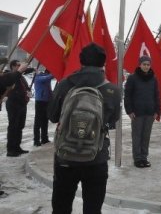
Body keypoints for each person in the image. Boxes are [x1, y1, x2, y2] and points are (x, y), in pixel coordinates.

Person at [48, 43, 121, 214]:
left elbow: (52, 116)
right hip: (96, 155)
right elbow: (113, 120)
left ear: (81, 60)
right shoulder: (112, 89)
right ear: (103, 63)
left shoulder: (65, 84)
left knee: (61, 206)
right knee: (93, 208)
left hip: (65, 156)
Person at [124, 55, 160, 168]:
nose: (146, 66)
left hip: (150, 113)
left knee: (146, 136)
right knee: (137, 136)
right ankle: (138, 159)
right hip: (137, 113)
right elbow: (127, 96)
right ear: (140, 65)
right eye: (144, 64)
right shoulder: (132, 78)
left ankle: (144, 157)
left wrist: (157, 110)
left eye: (148, 64)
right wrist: (129, 110)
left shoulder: (153, 79)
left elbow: (156, 95)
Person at [5, 60, 34, 157]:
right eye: (18, 65)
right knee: (13, 126)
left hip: (22, 104)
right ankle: (11, 149)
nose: (20, 67)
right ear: (13, 66)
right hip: (13, 104)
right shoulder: (10, 76)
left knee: (20, 126)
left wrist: (28, 91)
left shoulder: (21, 76)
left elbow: (25, 86)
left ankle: (17, 147)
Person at [33, 69, 54, 146]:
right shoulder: (39, 77)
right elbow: (47, 78)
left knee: (45, 120)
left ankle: (44, 138)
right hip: (40, 101)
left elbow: (49, 89)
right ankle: (36, 140)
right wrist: (54, 73)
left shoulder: (46, 78)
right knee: (38, 121)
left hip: (46, 101)